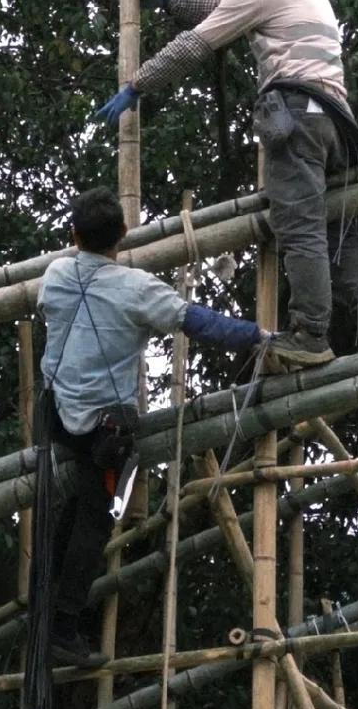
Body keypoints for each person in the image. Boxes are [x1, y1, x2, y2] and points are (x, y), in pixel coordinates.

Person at [94, 0, 358, 373]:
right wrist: (173, 0)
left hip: (296, 117)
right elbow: (226, 8)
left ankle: (311, 334)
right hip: (336, 123)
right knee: (341, 223)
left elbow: (198, 43)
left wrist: (136, 85)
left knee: (299, 226)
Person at [37, 185, 267, 668]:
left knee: (72, 507)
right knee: (93, 519)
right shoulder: (136, 288)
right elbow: (197, 322)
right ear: (122, 235)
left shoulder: (55, 274)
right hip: (100, 432)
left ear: (73, 233)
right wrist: (258, 337)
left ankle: (42, 610)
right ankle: (61, 627)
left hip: (56, 416)